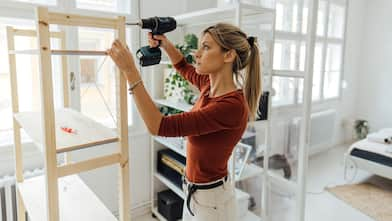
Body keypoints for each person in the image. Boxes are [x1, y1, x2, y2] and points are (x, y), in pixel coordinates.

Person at [107, 22, 262, 221]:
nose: (197, 54)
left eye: (206, 47)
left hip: (213, 204)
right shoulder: (210, 87)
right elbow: (183, 67)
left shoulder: (231, 106)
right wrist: (165, 44)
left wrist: (130, 71)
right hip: (194, 193)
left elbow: (158, 126)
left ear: (228, 55)